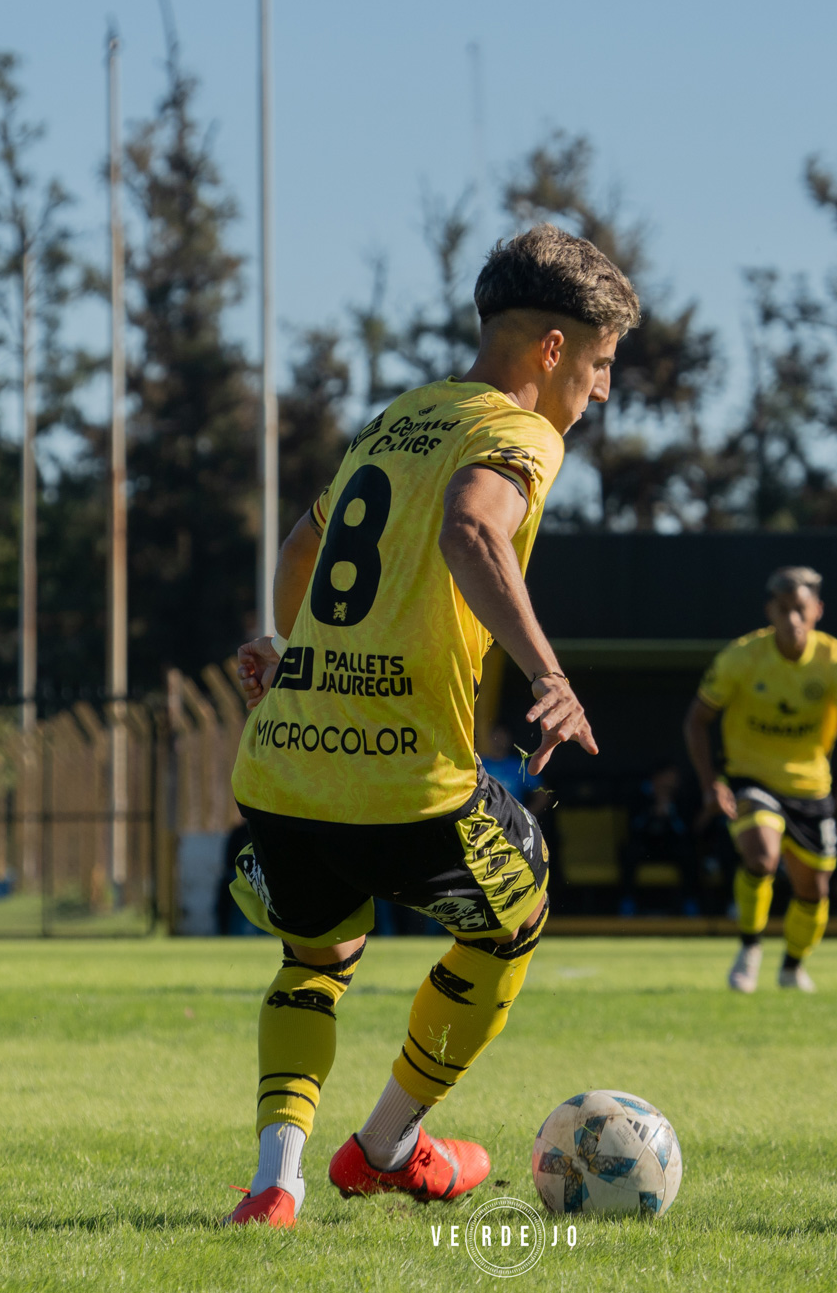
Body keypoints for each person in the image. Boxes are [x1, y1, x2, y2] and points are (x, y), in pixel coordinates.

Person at [224, 224, 638, 1226]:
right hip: (404, 776)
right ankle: (385, 1148)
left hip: (282, 765)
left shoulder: (396, 418)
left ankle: (274, 1185)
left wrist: (285, 644)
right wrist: (551, 674)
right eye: (600, 362)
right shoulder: (520, 430)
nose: (603, 389)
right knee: (517, 911)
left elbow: (304, 542)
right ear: (550, 351)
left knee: (316, 955)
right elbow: (470, 526)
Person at [682, 566, 837, 993]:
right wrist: (711, 781)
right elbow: (697, 720)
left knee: (815, 888)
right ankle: (750, 945)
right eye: (783, 609)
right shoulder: (741, 657)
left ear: (817, 611)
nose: (792, 619)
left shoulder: (836, 661)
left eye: (800, 609)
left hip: (811, 788)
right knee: (762, 856)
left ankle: (792, 966)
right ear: (770, 610)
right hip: (752, 779)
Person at [622, 764, 698, 916]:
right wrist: (652, 812)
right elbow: (633, 827)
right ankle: (627, 903)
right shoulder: (639, 795)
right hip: (645, 846)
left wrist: (671, 813)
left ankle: (690, 903)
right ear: (657, 778)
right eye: (668, 779)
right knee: (628, 853)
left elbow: (685, 831)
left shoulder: (679, 797)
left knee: (688, 854)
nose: (672, 784)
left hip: (669, 846)